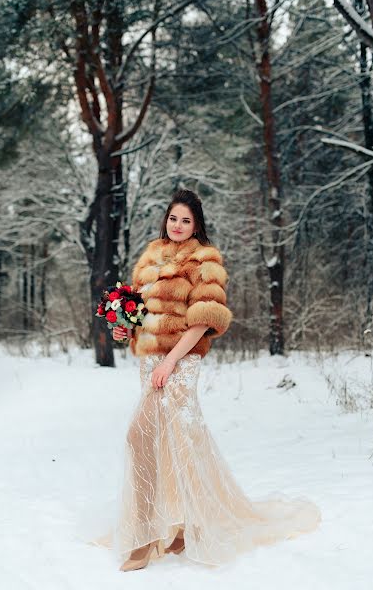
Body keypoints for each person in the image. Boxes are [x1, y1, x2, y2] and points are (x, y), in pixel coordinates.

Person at [106, 189, 321, 571]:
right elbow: (139, 312)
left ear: (197, 225)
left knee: (139, 435)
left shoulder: (206, 260)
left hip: (180, 361)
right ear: (166, 220)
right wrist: (124, 330)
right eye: (174, 218)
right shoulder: (151, 256)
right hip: (150, 361)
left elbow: (205, 319)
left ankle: (144, 534)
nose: (178, 226)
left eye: (186, 220)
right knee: (174, 440)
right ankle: (181, 525)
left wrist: (170, 363)